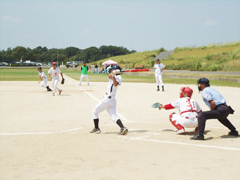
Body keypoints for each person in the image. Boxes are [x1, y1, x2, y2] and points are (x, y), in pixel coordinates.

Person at [91, 65, 128, 135]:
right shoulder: (111, 76)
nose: (110, 71)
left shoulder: (119, 77)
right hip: (111, 101)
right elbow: (108, 76)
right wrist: (112, 73)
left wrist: (114, 75)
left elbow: (115, 84)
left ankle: (96, 128)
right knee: (114, 116)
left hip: (108, 100)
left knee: (94, 111)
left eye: (112, 70)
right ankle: (123, 128)